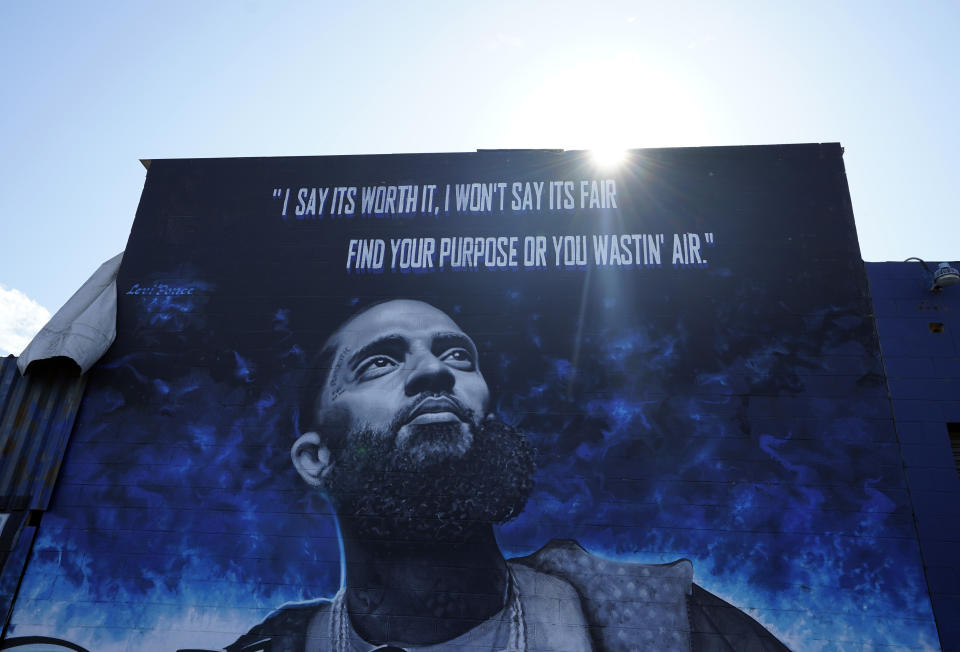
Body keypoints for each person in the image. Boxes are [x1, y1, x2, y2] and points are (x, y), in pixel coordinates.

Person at [227, 299, 790, 652]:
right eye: (379, 362)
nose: (434, 372)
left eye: (458, 356)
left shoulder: (662, 622)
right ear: (315, 459)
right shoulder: (278, 647)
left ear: (487, 417)